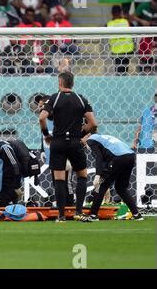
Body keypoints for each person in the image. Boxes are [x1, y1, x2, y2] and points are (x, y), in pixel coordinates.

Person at [39, 71, 98, 222]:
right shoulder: (81, 99)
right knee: (82, 176)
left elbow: (42, 118)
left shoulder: (54, 97)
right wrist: (80, 133)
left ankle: (61, 215)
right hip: (74, 142)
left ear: (60, 83)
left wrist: (46, 134)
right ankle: (78, 211)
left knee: (59, 179)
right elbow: (93, 124)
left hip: (57, 142)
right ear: (72, 83)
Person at [82, 133, 143, 221]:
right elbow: (105, 158)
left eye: (81, 138)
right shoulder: (102, 137)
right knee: (121, 188)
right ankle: (137, 214)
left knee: (100, 186)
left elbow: (99, 157)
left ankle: (93, 215)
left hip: (118, 158)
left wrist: (98, 175)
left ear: (87, 135)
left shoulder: (91, 140)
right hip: (130, 156)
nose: (82, 141)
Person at [0, 137, 31, 206]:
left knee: (8, 209)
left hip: (8, 185)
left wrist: (16, 186)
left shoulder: (4, 147)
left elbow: (15, 166)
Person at [107, 5, 134, 75]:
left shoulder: (109, 24)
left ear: (112, 13)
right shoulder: (126, 21)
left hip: (116, 52)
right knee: (125, 70)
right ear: (120, 12)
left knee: (119, 72)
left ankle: (120, 84)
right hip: (128, 49)